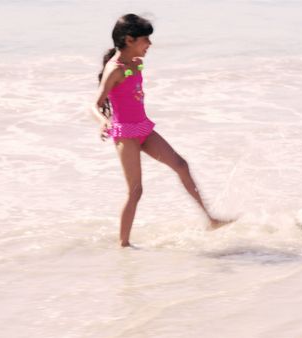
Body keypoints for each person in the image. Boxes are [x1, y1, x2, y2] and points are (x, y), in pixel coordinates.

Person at [91, 14, 228, 247]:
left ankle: (211, 220)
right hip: (125, 134)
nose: (150, 45)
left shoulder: (136, 63)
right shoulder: (114, 69)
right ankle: (123, 244)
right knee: (135, 190)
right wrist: (104, 121)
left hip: (143, 127)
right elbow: (96, 103)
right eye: (146, 40)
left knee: (181, 165)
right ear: (129, 39)